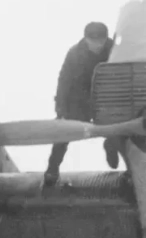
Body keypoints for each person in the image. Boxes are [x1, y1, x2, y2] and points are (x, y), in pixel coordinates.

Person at [44, 22, 116, 185]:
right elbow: (64, 80)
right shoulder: (75, 54)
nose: (98, 45)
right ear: (86, 39)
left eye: (101, 41)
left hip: (105, 100)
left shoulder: (115, 51)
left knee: (120, 128)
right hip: (79, 100)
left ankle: (112, 145)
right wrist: (61, 109)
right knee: (63, 132)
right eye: (93, 41)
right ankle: (52, 169)